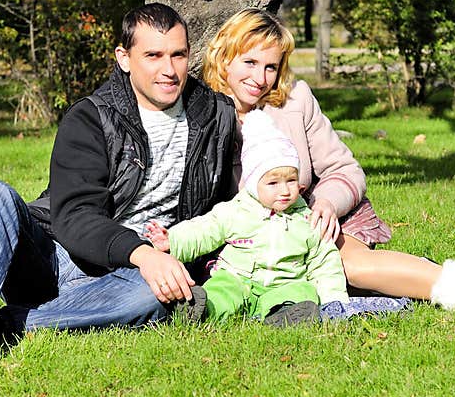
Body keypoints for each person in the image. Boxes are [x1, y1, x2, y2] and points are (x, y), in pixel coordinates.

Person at [0, 3, 237, 372]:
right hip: (57, 256)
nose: (168, 70)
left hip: (128, 277)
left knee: (152, 297)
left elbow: (235, 198)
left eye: (178, 55)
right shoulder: (91, 116)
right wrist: (143, 252)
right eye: (152, 55)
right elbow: (74, 216)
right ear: (124, 58)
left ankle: (7, 325)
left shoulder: (216, 115)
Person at [201, 7, 455, 318]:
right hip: (243, 238)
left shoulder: (294, 100)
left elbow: (344, 169)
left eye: (270, 67)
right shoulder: (201, 112)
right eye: (249, 62)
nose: (260, 78)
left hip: (308, 219)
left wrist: (326, 204)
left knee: (351, 265)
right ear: (224, 57)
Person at [144, 108, 350, 327]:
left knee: (303, 290)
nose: (285, 190)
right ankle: (202, 309)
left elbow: (325, 262)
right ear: (253, 184)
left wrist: (334, 301)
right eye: (273, 183)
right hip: (238, 277)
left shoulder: (307, 220)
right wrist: (173, 241)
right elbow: (205, 230)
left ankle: (285, 314)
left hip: (284, 282)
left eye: (291, 180)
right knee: (221, 289)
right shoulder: (237, 211)